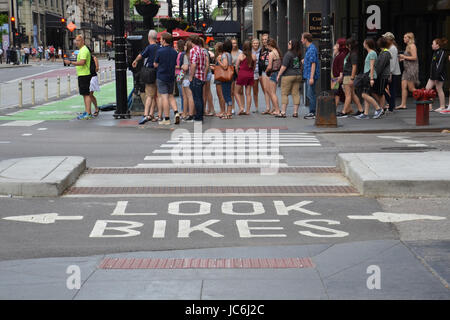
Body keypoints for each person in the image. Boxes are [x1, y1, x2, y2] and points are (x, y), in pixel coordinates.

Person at [132, 30, 159, 124]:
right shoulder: (159, 47)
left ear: (149, 38)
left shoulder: (150, 47)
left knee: (149, 95)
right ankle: (151, 115)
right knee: (155, 95)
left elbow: (141, 55)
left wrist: (135, 60)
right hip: (158, 73)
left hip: (150, 73)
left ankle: (145, 114)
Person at [153, 32, 180, 125]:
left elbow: (155, 64)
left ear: (164, 40)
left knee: (164, 97)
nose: (160, 40)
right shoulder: (174, 52)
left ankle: (167, 118)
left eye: (161, 39)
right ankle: (176, 112)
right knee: (171, 95)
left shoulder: (160, 51)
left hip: (161, 76)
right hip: (171, 76)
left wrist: (158, 64)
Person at [63, 35, 92, 120]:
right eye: (76, 41)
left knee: (86, 94)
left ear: (83, 41)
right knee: (84, 94)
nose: (76, 42)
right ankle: (87, 111)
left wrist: (71, 62)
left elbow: (82, 62)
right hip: (82, 74)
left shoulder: (83, 50)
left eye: (78, 40)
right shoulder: (81, 50)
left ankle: (88, 112)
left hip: (84, 74)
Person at [354, 38, 384, 120]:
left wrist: (371, 79)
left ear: (367, 44)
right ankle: (366, 113)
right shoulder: (370, 53)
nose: (363, 44)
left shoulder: (372, 53)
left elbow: (372, 66)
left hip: (369, 76)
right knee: (366, 94)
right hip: (367, 75)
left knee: (364, 95)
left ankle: (378, 108)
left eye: (364, 42)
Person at [276, 39, 303, 118]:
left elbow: (284, 66)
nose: (288, 44)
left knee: (284, 93)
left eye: (289, 43)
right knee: (296, 93)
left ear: (293, 45)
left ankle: (283, 112)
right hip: (298, 75)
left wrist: (278, 75)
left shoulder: (288, 54)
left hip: (288, 76)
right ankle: (295, 112)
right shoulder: (298, 54)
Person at [340, 38, 363, 117]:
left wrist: (352, 78)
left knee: (348, 95)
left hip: (349, 76)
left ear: (349, 45)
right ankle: (360, 109)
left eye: (347, 44)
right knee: (352, 94)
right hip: (349, 75)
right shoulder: (351, 53)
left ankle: (344, 111)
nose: (345, 46)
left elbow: (354, 67)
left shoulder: (353, 54)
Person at [188, 35, 209, 123]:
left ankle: (198, 117)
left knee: (196, 98)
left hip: (196, 76)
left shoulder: (193, 50)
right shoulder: (202, 50)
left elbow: (193, 64)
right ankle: (200, 116)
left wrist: (190, 76)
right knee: (200, 97)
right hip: (201, 76)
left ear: (191, 42)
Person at [396, 32, 419, 110]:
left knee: (411, 89)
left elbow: (414, 57)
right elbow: (409, 57)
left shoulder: (412, 46)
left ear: (410, 38)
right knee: (403, 87)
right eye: (404, 37)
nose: (404, 39)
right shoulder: (408, 46)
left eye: (405, 37)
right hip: (406, 69)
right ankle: (403, 104)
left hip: (411, 69)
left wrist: (404, 57)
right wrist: (403, 58)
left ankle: (425, 98)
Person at [426, 38, 448, 112]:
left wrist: (437, 76)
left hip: (439, 75)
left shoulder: (442, 52)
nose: (432, 45)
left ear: (437, 45)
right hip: (433, 75)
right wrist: (433, 75)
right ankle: (429, 106)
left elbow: (440, 65)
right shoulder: (435, 52)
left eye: (433, 43)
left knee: (439, 89)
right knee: (427, 89)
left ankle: (442, 106)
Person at [301, 32, 320, 119]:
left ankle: (313, 112)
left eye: (302, 38)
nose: (301, 40)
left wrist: (311, 77)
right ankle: (312, 111)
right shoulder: (309, 49)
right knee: (310, 93)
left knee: (311, 94)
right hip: (308, 74)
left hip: (310, 75)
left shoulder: (311, 49)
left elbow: (313, 63)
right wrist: (305, 60)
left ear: (305, 39)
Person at [235, 40, 256, 115]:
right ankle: (247, 110)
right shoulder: (253, 56)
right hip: (250, 74)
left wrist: (238, 74)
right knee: (248, 94)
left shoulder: (241, 55)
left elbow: (236, 67)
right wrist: (250, 72)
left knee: (236, 92)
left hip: (242, 74)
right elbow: (254, 67)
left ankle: (241, 107)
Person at [382, 32, 401, 113]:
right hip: (391, 72)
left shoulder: (392, 48)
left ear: (389, 39)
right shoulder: (391, 47)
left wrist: (390, 73)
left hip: (392, 73)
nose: (384, 40)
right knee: (388, 89)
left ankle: (391, 105)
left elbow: (392, 62)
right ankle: (391, 104)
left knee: (389, 89)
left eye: (385, 38)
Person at [372, 37, 392, 113]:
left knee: (381, 92)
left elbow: (381, 66)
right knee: (377, 91)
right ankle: (382, 107)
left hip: (382, 75)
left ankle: (382, 108)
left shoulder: (385, 53)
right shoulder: (383, 52)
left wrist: (375, 74)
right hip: (381, 75)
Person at [216, 40, 234, 119]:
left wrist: (218, 61)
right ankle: (228, 112)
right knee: (228, 94)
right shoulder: (229, 54)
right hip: (229, 77)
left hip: (225, 77)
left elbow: (225, 66)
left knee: (226, 94)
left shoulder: (224, 55)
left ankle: (228, 113)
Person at [264, 38, 282, 116]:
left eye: (267, 45)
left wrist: (266, 70)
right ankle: (276, 109)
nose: (266, 47)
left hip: (272, 73)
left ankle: (277, 110)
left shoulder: (271, 54)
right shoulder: (277, 51)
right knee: (272, 92)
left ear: (269, 45)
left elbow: (270, 66)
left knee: (272, 93)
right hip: (276, 72)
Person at [332, 38, 348, 114]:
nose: (335, 46)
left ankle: (333, 109)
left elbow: (341, 66)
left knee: (337, 94)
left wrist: (341, 76)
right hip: (335, 77)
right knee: (338, 93)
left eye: (337, 44)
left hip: (338, 77)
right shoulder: (338, 54)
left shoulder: (342, 55)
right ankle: (349, 109)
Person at [211, 42, 226, 118]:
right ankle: (222, 110)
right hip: (219, 76)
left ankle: (223, 111)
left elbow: (223, 67)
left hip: (220, 77)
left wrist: (214, 67)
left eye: (216, 46)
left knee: (220, 95)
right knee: (220, 95)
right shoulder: (221, 55)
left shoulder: (220, 56)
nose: (214, 47)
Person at [181, 41, 195, 121]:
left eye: (185, 45)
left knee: (189, 96)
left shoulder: (186, 56)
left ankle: (190, 114)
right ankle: (189, 113)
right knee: (190, 96)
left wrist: (182, 66)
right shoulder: (193, 55)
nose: (184, 46)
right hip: (193, 77)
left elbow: (185, 67)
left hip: (187, 77)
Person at [259, 33, 273, 114]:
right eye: (263, 39)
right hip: (264, 71)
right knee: (266, 90)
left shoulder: (271, 49)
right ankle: (267, 108)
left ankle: (274, 107)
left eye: (265, 39)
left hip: (270, 71)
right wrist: (260, 74)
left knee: (270, 90)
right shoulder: (262, 50)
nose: (264, 41)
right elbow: (259, 62)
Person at [202, 38, 215, 116]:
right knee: (208, 92)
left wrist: (204, 73)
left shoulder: (203, 51)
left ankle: (206, 109)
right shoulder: (206, 50)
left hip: (206, 73)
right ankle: (210, 109)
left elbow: (206, 64)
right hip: (207, 72)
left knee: (205, 93)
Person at [231, 38, 242, 114]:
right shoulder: (228, 52)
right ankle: (233, 108)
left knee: (240, 91)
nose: (234, 45)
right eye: (232, 43)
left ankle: (242, 107)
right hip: (231, 71)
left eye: (235, 43)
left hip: (238, 71)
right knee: (232, 91)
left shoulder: (240, 52)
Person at [88, 48, 100, 117]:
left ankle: (96, 109)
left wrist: (93, 69)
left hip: (93, 77)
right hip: (86, 77)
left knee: (90, 94)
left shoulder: (94, 58)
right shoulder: (85, 59)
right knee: (88, 94)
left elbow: (97, 68)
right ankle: (89, 110)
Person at [175, 40, 186, 117]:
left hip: (180, 74)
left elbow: (180, 66)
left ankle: (183, 109)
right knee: (183, 93)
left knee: (182, 94)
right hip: (181, 74)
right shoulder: (183, 53)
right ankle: (184, 109)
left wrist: (172, 65)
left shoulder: (180, 54)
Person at [251, 39, 262, 113]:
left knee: (266, 90)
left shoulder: (262, 51)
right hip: (254, 72)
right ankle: (256, 107)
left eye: (257, 43)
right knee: (255, 91)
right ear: (252, 44)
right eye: (254, 43)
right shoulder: (250, 52)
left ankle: (269, 107)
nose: (255, 45)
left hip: (261, 72)